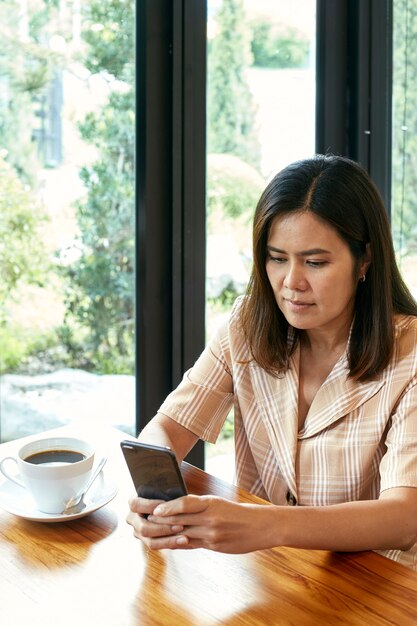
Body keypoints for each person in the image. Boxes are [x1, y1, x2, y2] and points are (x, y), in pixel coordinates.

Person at [127, 154, 417, 570]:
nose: (291, 282)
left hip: (375, 587)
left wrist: (269, 525)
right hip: (272, 577)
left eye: (315, 262)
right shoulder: (247, 325)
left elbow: (404, 517)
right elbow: (168, 428)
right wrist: (153, 497)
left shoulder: (411, 354)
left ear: (365, 260)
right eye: (277, 258)